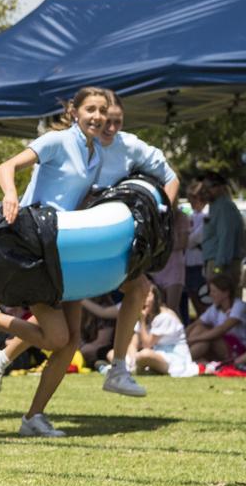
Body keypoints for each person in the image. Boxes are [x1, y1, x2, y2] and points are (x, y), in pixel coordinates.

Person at [0, 87, 109, 436]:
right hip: (34, 245)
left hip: (68, 248)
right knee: (56, 338)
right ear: (75, 111)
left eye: (102, 111)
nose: (97, 116)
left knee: (70, 341)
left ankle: (33, 416)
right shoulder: (56, 141)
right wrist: (11, 193)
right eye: (90, 109)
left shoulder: (96, 154)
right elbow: (7, 166)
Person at [85, 90, 181, 397]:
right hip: (76, 236)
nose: (110, 128)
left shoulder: (130, 145)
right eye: (105, 121)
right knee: (57, 327)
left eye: (117, 121)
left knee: (140, 289)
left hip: (110, 238)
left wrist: (160, 216)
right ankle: (0, 345)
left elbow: (171, 178)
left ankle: (118, 368)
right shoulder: (79, 145)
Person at [125, 286, 198, 377]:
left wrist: (142, 321)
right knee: (113, 353)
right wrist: (132, 358)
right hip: (155, 353)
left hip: (172, 356)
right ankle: (136, 367)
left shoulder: (164, 316)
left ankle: (137, 367)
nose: (144, 300)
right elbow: (133, 343)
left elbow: (147, 344)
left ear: (156, 298)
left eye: (147, 296)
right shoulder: (143, 314)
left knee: (144, 355)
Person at [187, 275, 246, 366]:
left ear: (226, 293)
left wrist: (192, 339)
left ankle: (183, 360)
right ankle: (185, 357)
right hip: (224, 345)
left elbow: (222, 329)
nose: (210, 295)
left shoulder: (239, 306)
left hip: (239, 349)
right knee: (199, 328)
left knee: (209, 337)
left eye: (214, 291)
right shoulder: (214, 308)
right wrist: (182, 338)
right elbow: (196, 324)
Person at [201, 173, 243, 295]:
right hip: (216, 262)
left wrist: (219, 268)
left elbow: (226, 237)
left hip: (221, 265)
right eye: (203, 187)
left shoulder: (224, 206)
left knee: (226, 306)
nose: (205, 191)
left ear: (220, 187)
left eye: (209, 187)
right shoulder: (215, 206)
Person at [183, 182, 210, 321]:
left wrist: (186, 238)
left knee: (202, 301)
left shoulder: (208, 214)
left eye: (192, 199)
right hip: (189, 263)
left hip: (200, 265)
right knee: (193, 298)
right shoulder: (192, 215)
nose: (191, 202)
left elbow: (192, 239)